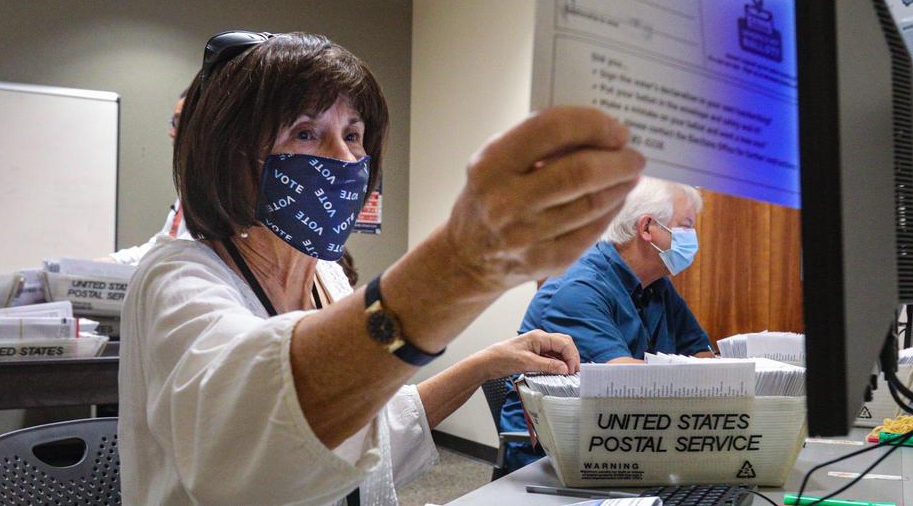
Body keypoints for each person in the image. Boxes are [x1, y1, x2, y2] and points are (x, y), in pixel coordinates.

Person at [119, 31, 645, 506]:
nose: (346, 159)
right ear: (231, 156)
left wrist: (487, 363)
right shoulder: (177, 278)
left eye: (353, 135)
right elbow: (252, 448)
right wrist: (461, 263)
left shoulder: (327, 275)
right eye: (305, 134)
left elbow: (365, 435)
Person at [497, 176, 713, 470]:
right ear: (647, 228)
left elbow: (702, 355)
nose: (693, 237)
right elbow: (624, 379)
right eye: (686, 225)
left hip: (625, 439)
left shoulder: (657, 285)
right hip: (552, 458)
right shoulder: (578, 288)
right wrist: (705, 378)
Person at [108, 89, 192, 264]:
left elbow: (177, 255)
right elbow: (160, 246)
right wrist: (111, 261)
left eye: (178, 121)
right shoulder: (188, 187)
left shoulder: (216, 193)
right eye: (173, 122)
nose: (171, 132)